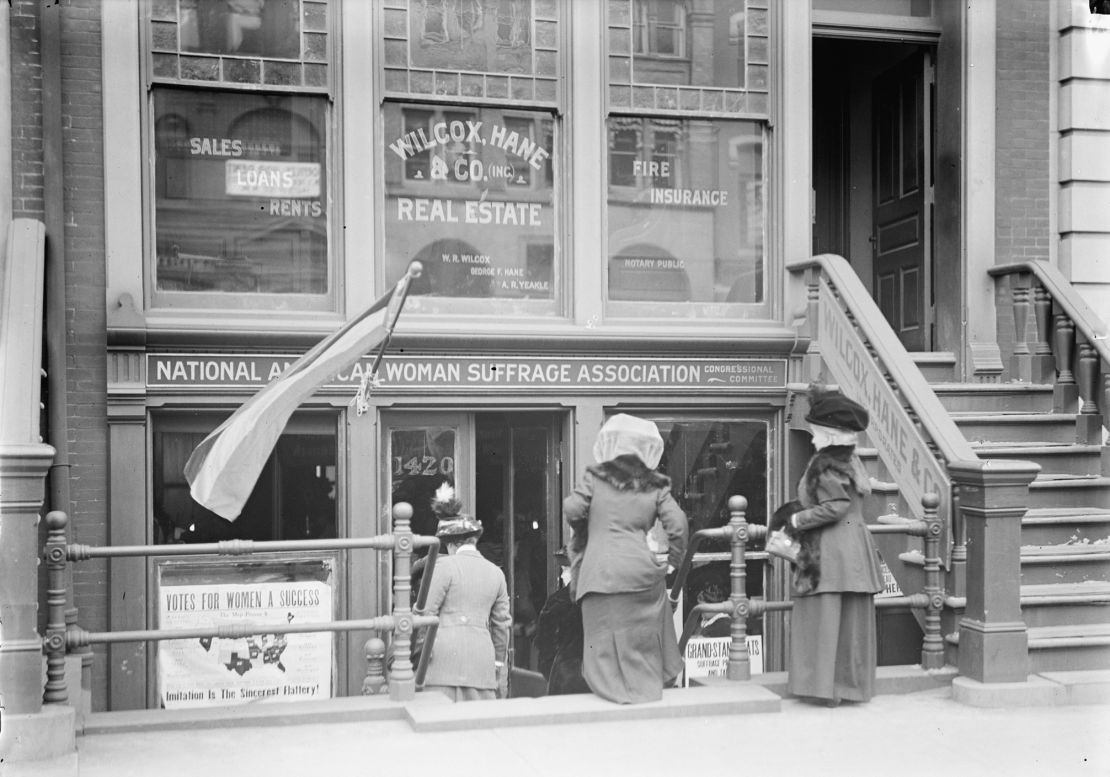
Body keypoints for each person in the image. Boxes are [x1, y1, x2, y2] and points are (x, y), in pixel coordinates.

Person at [564, 413, 689, 704]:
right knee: (642, 638)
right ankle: (644, 691)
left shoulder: (596, 478)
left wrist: (586, 526)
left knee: (602, 639)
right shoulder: (655, 485)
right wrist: (673, 561)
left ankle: (614, 695)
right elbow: (679, 524)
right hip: (640, 570)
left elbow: (572, 508)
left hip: (599, 571)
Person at [783, 385, 883, 707]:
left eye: (816, 432)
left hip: (831, 547)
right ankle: (847, 688)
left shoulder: (825, 463)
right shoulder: (850, 460)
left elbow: (835, 506)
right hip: (854, 541)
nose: (812, 438)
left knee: (823, 617)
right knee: (849, 622)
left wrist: (797, 520)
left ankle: (823, 689)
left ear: (829, 434)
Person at [417, 483, 512, 701]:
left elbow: (425, 616)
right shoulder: (496, 573)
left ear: (449, 544)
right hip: (482, 665)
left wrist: (418, 656)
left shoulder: (444, 567)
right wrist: (497, 664)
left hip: (442, 665)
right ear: (474, 540)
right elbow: (501, 625)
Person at [533, 547, 589, 696]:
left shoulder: (557, 601)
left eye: (566, 569)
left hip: (565, 676)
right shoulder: (597, 598)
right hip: (598, 675)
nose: (563, 574)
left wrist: (553, 672)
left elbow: (545, 645)